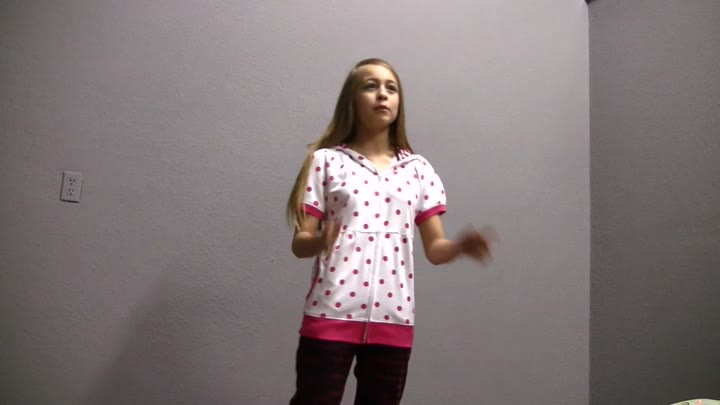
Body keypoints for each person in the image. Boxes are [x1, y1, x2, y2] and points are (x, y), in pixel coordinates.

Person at [285, 58, 494, 405]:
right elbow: (300, 243)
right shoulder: (326, 162)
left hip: (393, 319)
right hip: (331, 314)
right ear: (352, 101)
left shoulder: (418, 170)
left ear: (399, 103)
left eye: (391, 88)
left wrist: (459, 246)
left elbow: (435, 249)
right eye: (371, 86)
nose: (382, 94)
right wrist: (321, 240)